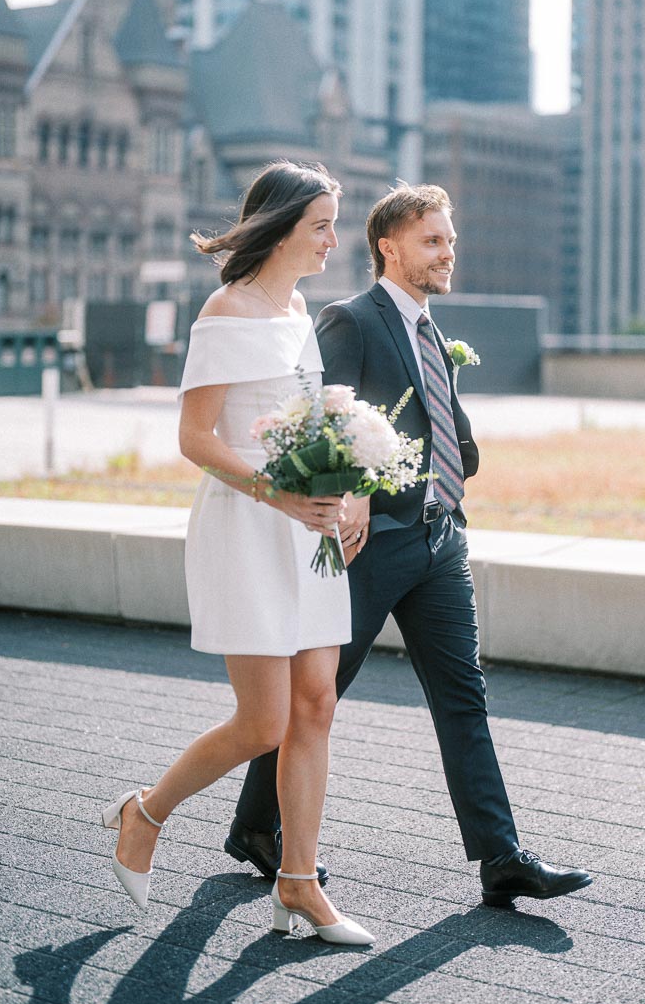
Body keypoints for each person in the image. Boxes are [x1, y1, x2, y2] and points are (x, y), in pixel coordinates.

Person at [225, 183, 594, 907]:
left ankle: (501, 856)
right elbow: (315, 413)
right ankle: (256, 826)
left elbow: (432, 417)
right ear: (389, 248)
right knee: (317, 699)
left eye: (449, 239)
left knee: (464, 698)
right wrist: (354, 486)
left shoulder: (431, 329)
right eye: (432, 241)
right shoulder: (352, 320)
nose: (447, 251)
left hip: (439, 540)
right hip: (372, 545)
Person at [101, 160, 373, 946]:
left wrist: (348, 490)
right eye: (321, 224)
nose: (331, 240)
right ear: (282, 225)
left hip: (309, 530)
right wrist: (281, 496)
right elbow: (195, 437)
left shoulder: (297, 308)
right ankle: (143, 812)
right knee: (263, 721)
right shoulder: (227, 309)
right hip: (250, 526)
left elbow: (311, 425)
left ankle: (300, 883)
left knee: (316, 705)